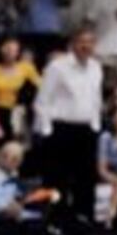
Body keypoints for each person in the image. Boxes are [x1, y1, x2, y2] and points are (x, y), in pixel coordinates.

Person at [34, 23, 103, 221]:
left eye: (90, 42)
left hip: (86, 130)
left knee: (86, 181)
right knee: (57, 180)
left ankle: (85, 222)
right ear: (73, 44)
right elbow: (42, 101)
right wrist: (47, 130)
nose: (86, 46)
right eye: (82, 42)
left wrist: (95, 125)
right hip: (61, 129)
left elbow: (95, 98)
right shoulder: (58, 67)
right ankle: (55, 222)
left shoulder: (96, 67)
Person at [0, 35, 42, 141]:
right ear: (0, 49)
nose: (10, 52)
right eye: (7, 48)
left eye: (14, 49)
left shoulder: (26, 67)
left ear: (18, 52)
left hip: (15, 111)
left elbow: (41, 85)